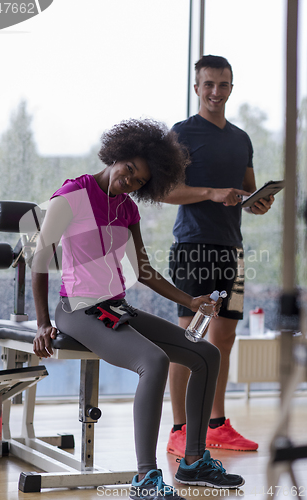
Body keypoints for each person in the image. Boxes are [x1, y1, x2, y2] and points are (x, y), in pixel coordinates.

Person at [31, 118, 245, 498]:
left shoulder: (127, 210)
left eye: (139, 181)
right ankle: (145, 479)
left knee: (206, 354)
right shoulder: (72, 195)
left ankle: (193, 462)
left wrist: (190, 300)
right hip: (76, 308)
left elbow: (142, 269)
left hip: (114, 305)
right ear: (116, 156)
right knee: (155, 360)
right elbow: (38, 257)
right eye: (128, 171)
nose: (128, 182)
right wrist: (43, 322)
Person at [165, 55, 274, 457]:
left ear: (231, 87)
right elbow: (165, 192)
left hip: (233, 249)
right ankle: (179, 429)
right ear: (196, 87)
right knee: (186, 339)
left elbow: (246, 191)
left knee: (223, 338)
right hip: (193, 247)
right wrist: (211, 192)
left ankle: (215, 424)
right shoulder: (181, 133)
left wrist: (257, 202)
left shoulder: (241, 138)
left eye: (222, 84)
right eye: (208, 84)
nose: (215, 92)